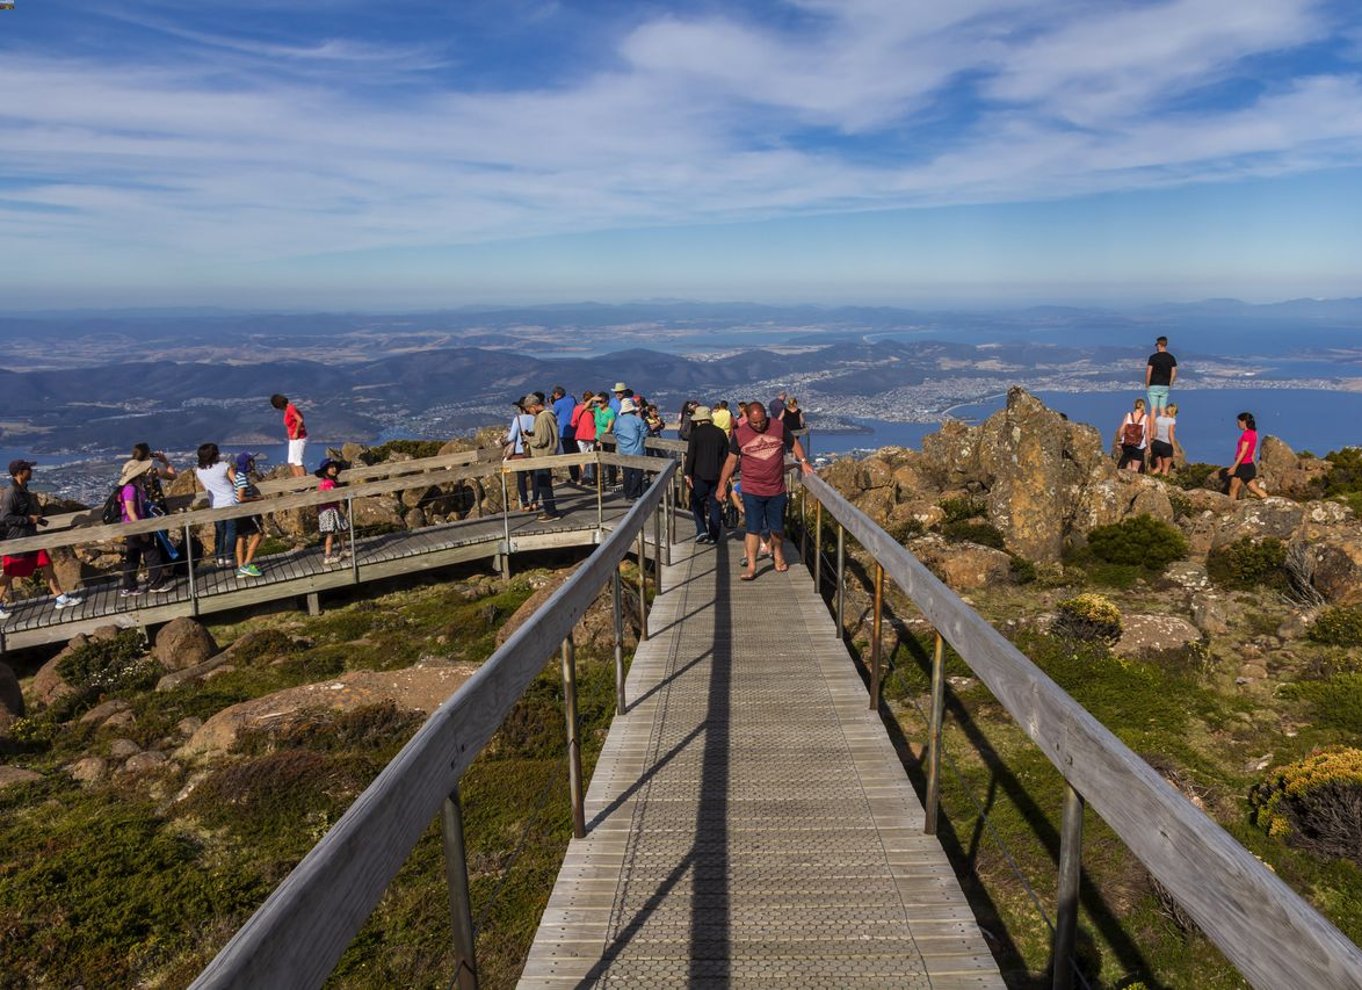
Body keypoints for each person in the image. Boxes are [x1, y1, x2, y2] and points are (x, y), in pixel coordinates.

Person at [716, 400, 814, 581]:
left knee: (776, 528)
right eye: (755, 422)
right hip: (751, 489)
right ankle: (752, 566)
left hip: (776, 488)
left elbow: (793, 443)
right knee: (752, 529)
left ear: (765, 416)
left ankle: (778, 554)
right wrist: (722, 485)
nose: (759, 425)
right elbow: (731, 461)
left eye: (762, 421)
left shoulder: (777, 426)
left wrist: (803, 462)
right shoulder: (740, 434)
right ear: (748, 418)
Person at [0, 460, 82, 617]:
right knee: (10, 572)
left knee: (46, 564)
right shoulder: (11, 493)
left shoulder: (23, 490)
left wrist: (36, 519)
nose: (31, 471)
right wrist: (29, 520)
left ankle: (60, 597)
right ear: (19, 472)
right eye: (28, 469)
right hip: (18, 540)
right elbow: (6, 517)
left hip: (31, 538)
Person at [117, 456, 173, 597]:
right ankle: (156, 583)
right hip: (136, 526)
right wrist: (142, 530)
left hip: (131, 527)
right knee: (152, 553)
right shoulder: (131, 489)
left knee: (133, 556)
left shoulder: (129, 488)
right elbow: (130, 511)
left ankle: (129, 587)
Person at [683, 405, 728, 544]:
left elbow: (691, 455)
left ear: (698, 420)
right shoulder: (720, 433)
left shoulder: (695, 434)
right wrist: (727, 476)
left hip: (699, 474)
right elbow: (726, 456)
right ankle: (714, 535)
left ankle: (701, 530)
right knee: (715, 504)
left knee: (697, 502)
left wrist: (687, 473)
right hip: (717, 475)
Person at [195, 443, 237, 568]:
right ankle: (229, 557)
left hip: (215, 504)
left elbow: (206, 487)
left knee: (220, 532)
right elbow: (235, 481)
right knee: (231, 530)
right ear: (214, 454)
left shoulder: (199, 471)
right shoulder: (224, 466)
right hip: (230, 501)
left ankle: (219, 558)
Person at [522, 393, 562, 520]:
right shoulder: (549, 415)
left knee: (544, 485)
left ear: (534, 406)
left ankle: (551, 512)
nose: (529, 412)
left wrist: (528, 438)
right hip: (548, 454)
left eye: (529, 409)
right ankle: (550, 510)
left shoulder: (542, 418)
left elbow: (541, 440)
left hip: (542, 455)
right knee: (545, 484)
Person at [233, 452, 266, 577]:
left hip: (237, 512)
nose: (253, 463)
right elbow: (241, 497)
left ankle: (240, 567)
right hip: (245, 512)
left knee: (241, 538)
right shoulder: (242, 478)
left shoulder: (238, 475)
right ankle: (247, 565)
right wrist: (256, 499)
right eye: (251, 461)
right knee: (257, 535)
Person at [315, 458, 351, 565]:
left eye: (335, 467)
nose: (334, 469)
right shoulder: (328, 483)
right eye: (331, 467)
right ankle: (328, 556)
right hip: (329, 511)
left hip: (332, 509)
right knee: (330, 533)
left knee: (343, 527)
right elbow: (332, 495)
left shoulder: (328, 482)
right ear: (325, 470)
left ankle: (343, 549)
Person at [504, 399, 537, 512]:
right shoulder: (535, 418)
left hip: (519, 452)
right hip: (533, 451)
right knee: (534, 477)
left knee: (521, 478)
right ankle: (535, 502)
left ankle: (525, 503)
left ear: (522, 408)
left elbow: (511, 437)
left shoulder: (517, 419)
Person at [1227, 412, 1268, 500]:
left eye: (1238, 422)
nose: (1238, 424)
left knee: (1233, 489)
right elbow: (1253, 451)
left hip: (1243, 465)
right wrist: (1253, 464)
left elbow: (1243, 451)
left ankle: (1230, 510)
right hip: (1249, 465)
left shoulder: (1246, 434)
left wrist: (1234, 467)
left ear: (1244, 422)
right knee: (1253, 488)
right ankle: (1269, 501)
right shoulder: (1254, 433)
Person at [613, 397, 648, 500]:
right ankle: (633, 493)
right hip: (637, 450)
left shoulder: (618, 422)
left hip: (623, 450)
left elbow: (615, 434)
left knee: (627, 474)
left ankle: (627, 494)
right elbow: (645, 432)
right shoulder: (637, 420)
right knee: (638, 473)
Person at [271, 394, 309, 478]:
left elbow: (300, 419)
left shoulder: (290, 408)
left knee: (298, 461)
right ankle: (298, 482)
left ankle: (305, 483)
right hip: (292, 439)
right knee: (291, 461)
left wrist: (296, 432)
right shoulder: (287, 409)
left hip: (299, 438)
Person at [551, 385, 580, 484]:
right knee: (576, 453)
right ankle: (580, 475)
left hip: (564, 431)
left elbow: (553, 414)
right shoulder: (571, 399)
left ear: (556, 394)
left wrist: (552, 404)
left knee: (569, 455)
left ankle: (574, 477)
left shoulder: (557, 403)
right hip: (575, 429)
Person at [1115, 397, 1150, 473]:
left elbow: (1121, 429)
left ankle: (1126, 483)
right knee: (1135, 469)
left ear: (1135, 405)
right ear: (1143, 406)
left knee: (1128, 468)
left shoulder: (1128, 415)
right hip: (1139, 446)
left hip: (1127, 444)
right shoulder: (1145, 417)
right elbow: (1147, 433)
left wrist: (1119, 440)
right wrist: (1149, 446)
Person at [571, 390, 599, 484]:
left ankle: (582, 478)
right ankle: (595, 478)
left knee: (583, 457)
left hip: (581, 434)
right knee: (593, 457)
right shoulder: (595, 409)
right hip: (592, 434)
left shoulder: (577, 408)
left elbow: (573, 423)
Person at [1146, 337, 1177, 415]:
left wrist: (1147, 384)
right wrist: (1170, 384)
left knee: (1153, 409)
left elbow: (1148, 372)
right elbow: (1173, 373)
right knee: (1162, 408)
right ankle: (1163, 426)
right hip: (1165, 385)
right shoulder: (1171, 358)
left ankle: (1152, 427)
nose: (1156, 346)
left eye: (1157, 344)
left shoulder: (1153, 357)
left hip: (1154, 384)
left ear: (1159, 345)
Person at [594, 390, 618, 489]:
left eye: (601, 401)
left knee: (610, 459)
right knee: (596, 459)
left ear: (607, 401)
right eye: (598, 402)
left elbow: (609, 428)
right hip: (597, 438)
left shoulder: (611, 412)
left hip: (608, 438)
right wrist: (592, 399)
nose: (599, 403)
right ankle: (598, 480)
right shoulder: (597, 410)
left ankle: (612, 480)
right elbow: (585, 408)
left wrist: (602, 439)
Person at [1149, 403, 1178, 477]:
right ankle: (1162, 486)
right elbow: (1170, 435)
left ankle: (1148, 479)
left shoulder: (1158, 418)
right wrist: (1175, 449)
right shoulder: (1172, 421)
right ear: (1174, 412)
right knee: (1165, 470)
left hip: (1156, 444)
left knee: (1158, 467)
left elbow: (1155, 434)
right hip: (1166, 446)